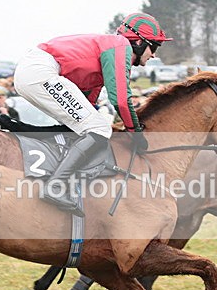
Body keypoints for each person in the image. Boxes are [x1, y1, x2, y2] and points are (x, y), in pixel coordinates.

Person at [13, 12, 170, 213]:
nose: (154, 55)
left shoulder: (111, 48)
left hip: (34, 70)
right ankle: (56, 186)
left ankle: (62, 177)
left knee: (91, 127)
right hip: (40, 70)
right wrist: (136, 132)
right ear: (139, 42)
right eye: (154, 47)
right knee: (100, 128)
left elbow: (91, 97)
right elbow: (121, 100)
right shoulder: (120, 46)